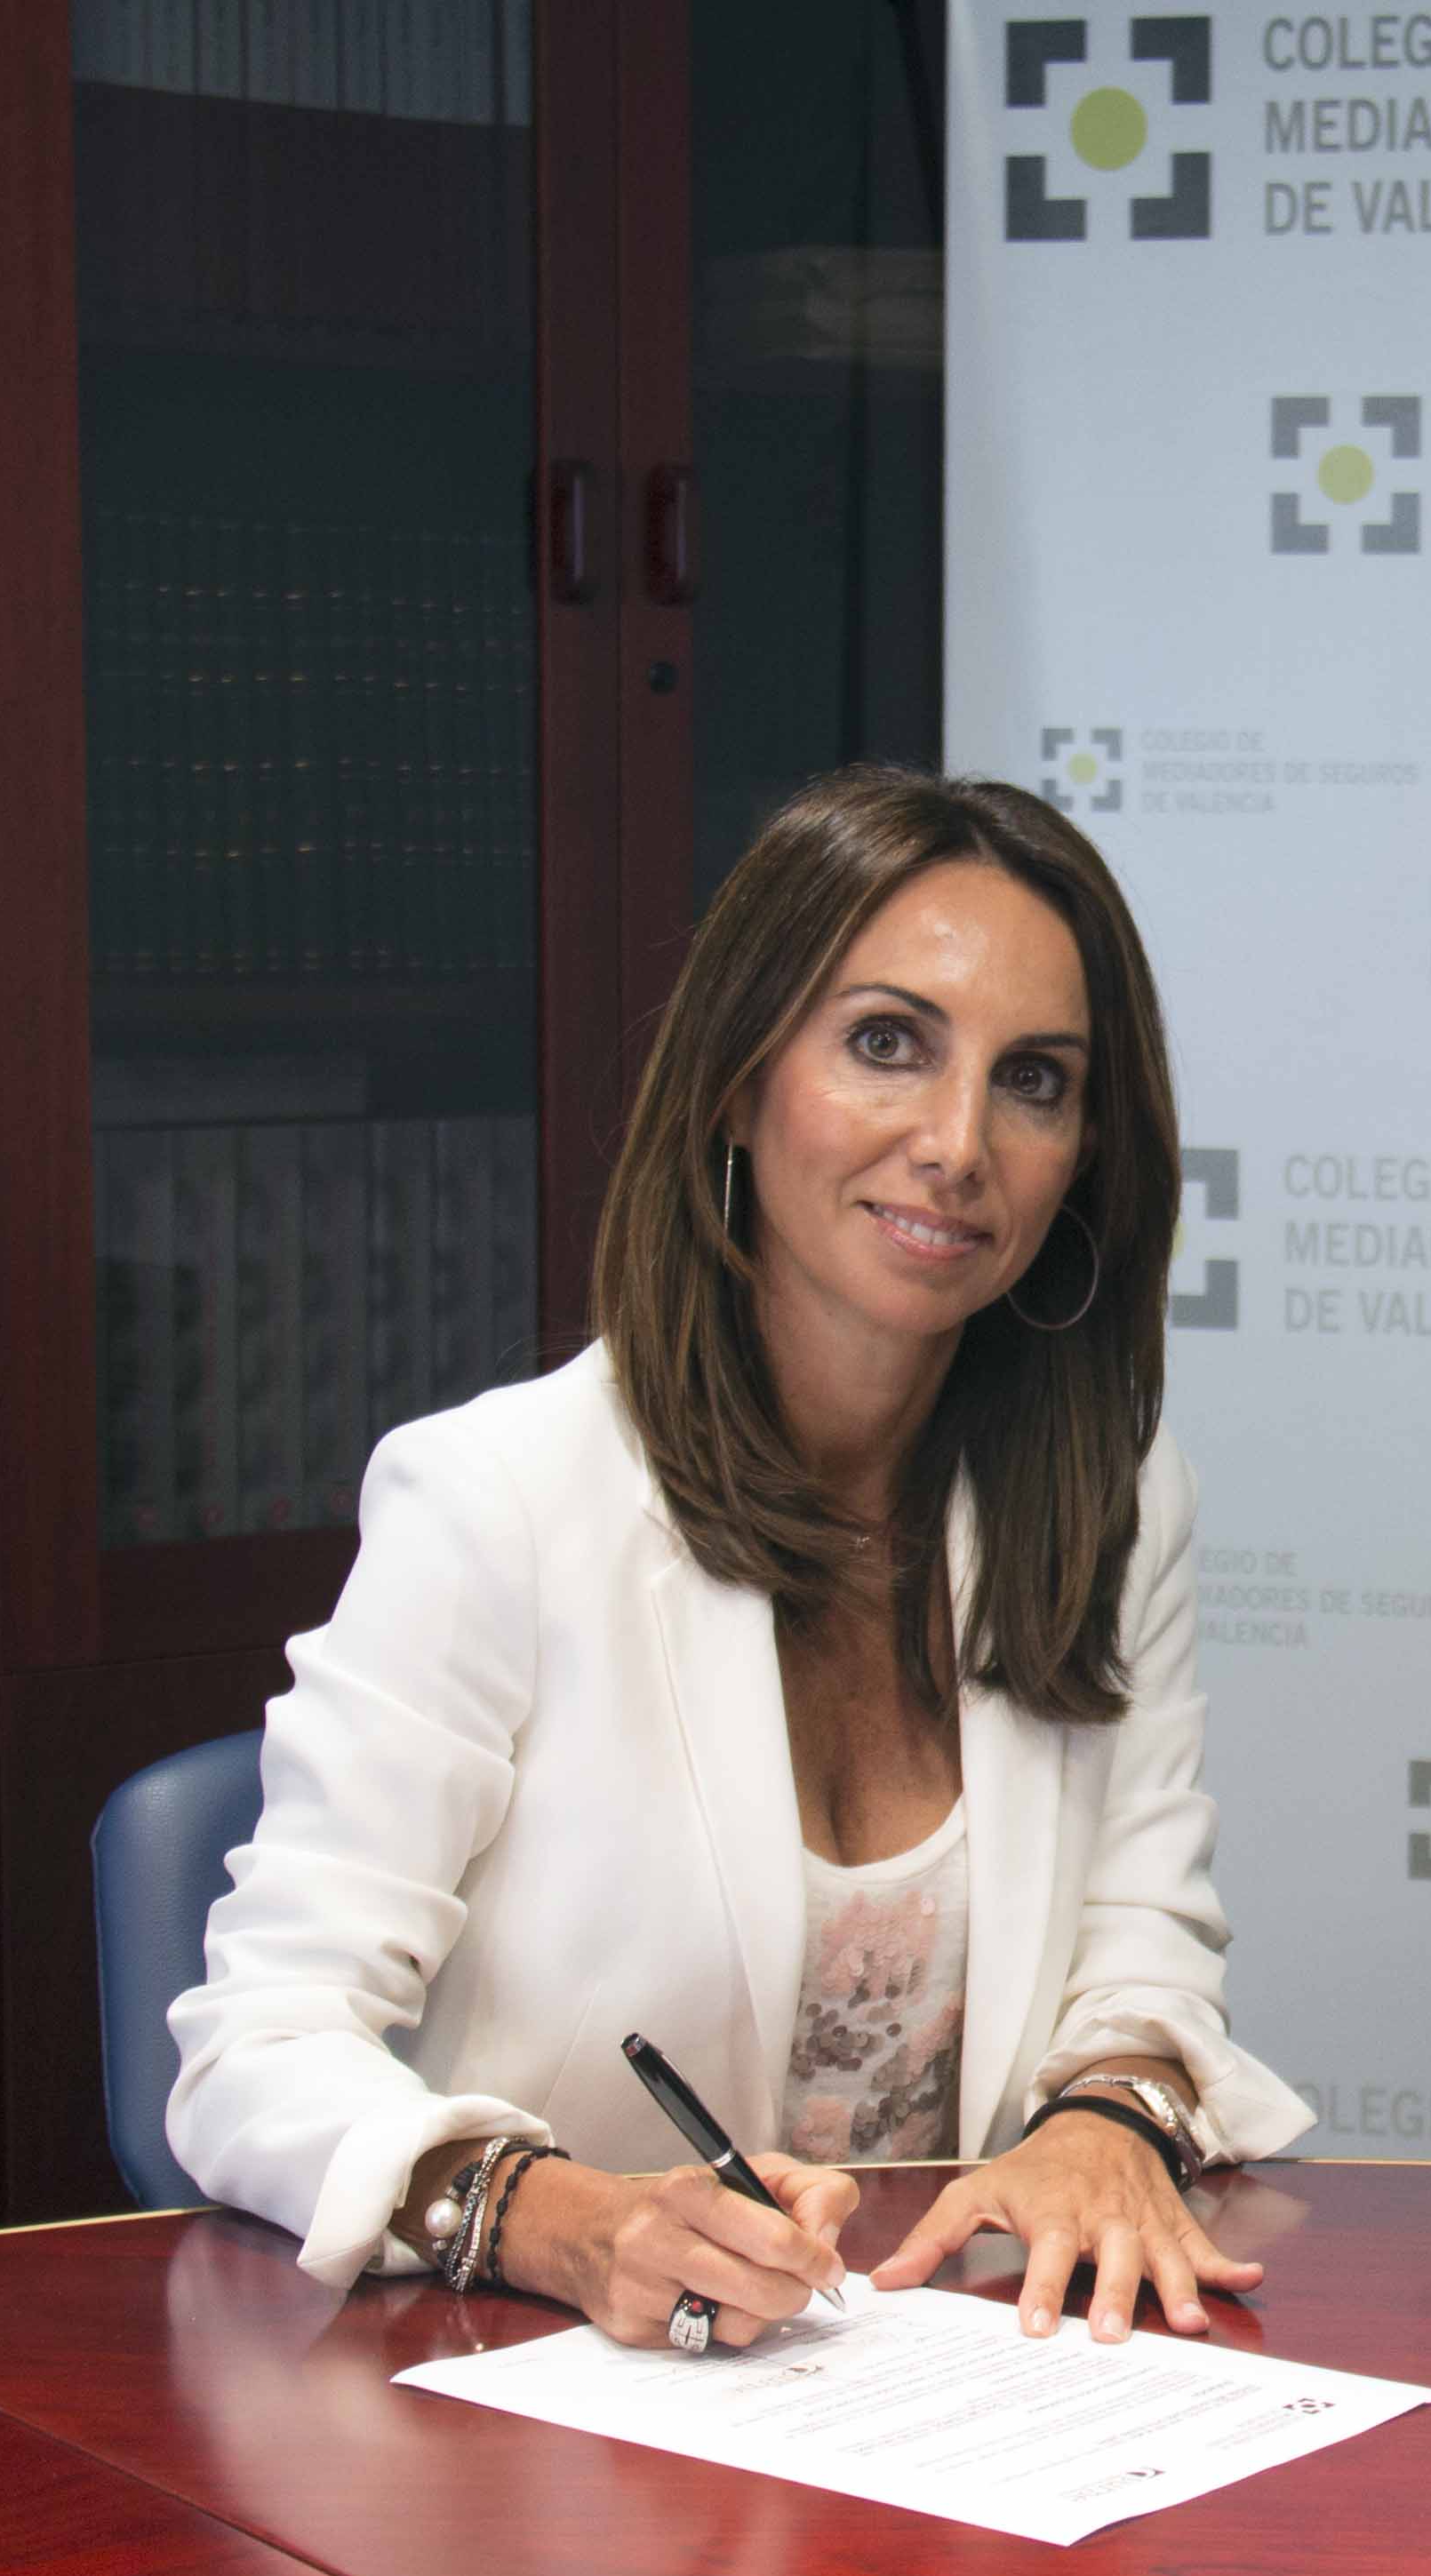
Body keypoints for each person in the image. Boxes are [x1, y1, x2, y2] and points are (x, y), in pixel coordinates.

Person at [170, 768, 1311, 2355]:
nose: (958, 1143)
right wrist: (566, 2222)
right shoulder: (498, 1499)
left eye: (1035, 1081)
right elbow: (258, 2040)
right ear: (734, 1079)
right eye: (887, 1043)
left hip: (954, 2391)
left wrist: (1109, 2118)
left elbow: (1147, 1943)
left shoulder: (1106, 1498)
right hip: (551, 2404)